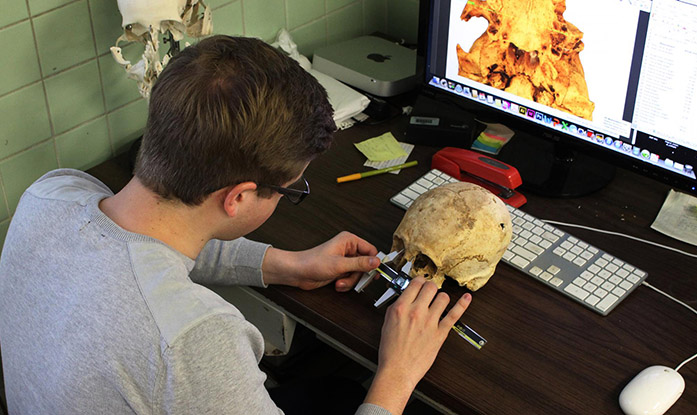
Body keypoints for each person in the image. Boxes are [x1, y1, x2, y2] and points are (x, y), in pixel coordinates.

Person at [0, 35, 471, 415]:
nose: (290, 197)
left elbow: (144, 246)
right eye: (292, 190)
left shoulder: (52, 194)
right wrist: (397, 375)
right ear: (239, 197)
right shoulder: (192, 340)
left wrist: (287, 264)